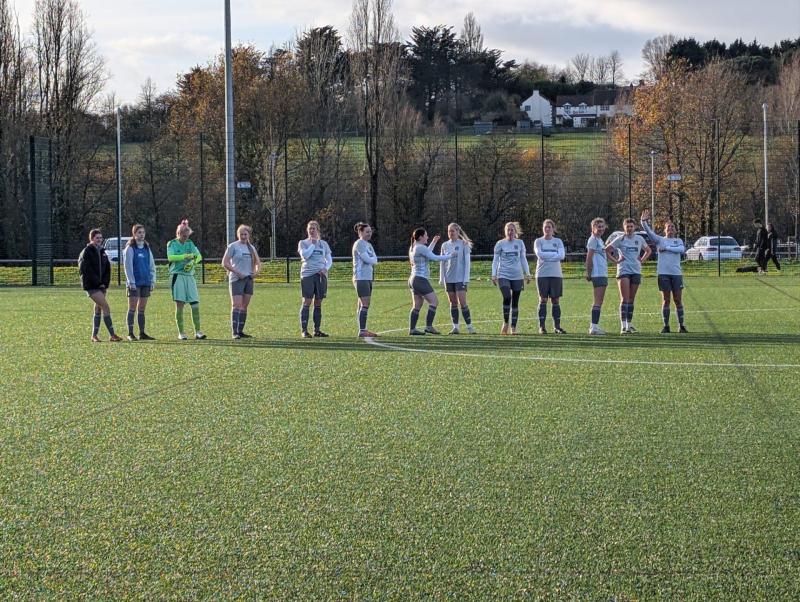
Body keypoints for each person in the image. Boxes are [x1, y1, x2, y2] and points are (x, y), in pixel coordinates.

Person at [641, 209, 688, 333]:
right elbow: (649, 232)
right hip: (663, 274)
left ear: (676, 230)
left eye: (673, 227)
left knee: (678, 300)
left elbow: (681, 249)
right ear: (664, 230)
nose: (671, 229)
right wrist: (643, 222)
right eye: (668, 227)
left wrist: (666, 248)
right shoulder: (659, 240)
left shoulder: (679, 241)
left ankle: (681, 326)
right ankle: (666, 326)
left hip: (676, 274)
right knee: (666, 300)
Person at [606, 217, 651, 334]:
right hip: (624, 271)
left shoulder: (639, 239)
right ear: (624, 227)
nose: (630, 228)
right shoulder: (619, 239)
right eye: (627, 226)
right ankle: (623, 326)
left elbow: (648, 250)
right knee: (624, 299)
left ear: (635, 227)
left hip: (636, 271)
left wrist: (641, 259)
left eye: (631, 226)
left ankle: (629, 325)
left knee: (631, 299)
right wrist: (616, 260)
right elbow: (607, 250)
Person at [408, 227, 455, 335]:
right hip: (420, 279)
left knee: (417, 305)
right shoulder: (420, 247)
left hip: (413, 279)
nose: (427, 237)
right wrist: (450, 256)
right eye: (426, 235)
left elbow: (427, 253)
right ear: (420, 237)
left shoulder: (414, 247)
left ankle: (412, 329)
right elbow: (434, 257)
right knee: (434, 302)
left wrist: (433, 242)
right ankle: (428, 327)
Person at [78, 229, 122, 342]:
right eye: (97, 238)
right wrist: (98, 283)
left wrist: (105, 283)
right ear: (92, 239)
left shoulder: (102, 251)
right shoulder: (87, 251)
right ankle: (112, 335)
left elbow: (107, 269)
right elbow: (86, 270)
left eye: (101, 238)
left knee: (98, 309)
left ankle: (94, 336)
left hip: (101, 286)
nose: (99, 240)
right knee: (105, 307)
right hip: (91, 286)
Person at [167, 220, 205, 340]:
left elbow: (199, 256)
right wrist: (184, 256)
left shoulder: (190, 243)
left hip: (190, 277)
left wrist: (193, 262)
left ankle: (198, 331)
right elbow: (170, 257)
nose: (186, 237)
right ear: (178, 234)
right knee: (180, 305)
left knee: (195, 304)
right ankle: (181, 332)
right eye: (184, 235)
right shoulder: (171, 244)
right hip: (178, 276)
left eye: (187, 235)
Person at [222, 224, 262, 339]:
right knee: (236, 305)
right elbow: (225, 263)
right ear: (237, 235)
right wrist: (237, 272)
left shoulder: (251, 248)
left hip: (248, 280)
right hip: (237, 279)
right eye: (241, 234)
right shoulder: (233, 246)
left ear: (248, 235)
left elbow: (258, 263)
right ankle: (234, 332)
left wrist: (256, 272)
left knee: (244, 306)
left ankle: (240, 331)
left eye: (245, 234)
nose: (243, 236)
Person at [491, 222, 531, 335]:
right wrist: (494, 274)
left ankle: (513, 327)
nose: (510, 232)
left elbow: (523, 259)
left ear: (515, 231)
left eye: (512, 230)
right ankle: (505, 323)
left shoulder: (520, 243)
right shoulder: (500, 244)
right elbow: (495, 260)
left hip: (517, 276)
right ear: (505, 231)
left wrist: (528, 274)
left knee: (515, 301)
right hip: (503, 275)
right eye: (508, 230)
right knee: (507, 297)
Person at [439, 222, 476, 334]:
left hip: (460, 278)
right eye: (449, 231)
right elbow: (442, 262)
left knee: (462, 302)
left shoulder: (463, 244)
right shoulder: (445, 245)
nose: (450, 233)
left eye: (453, 231)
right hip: (449, 279)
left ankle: (470, 327)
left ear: (458, 232)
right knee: (453, 302)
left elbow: (467, 263)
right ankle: (455, 327)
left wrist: (466, 279)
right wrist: (441, 278)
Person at [298, 220, 333, 338]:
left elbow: (329, 259)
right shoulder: (303, 243)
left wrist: (325, 268)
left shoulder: (323, 244)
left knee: (318, 302)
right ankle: (304, 330)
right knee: (306, 301)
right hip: (308, 275)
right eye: (310, 228)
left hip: (321, 276)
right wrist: (313, 244)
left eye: (314, 228)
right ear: (307, 230)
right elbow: (305, 255)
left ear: (318, 230)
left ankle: (317, 330)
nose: (312, 230)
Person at [122, 224, 157, 341]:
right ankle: (130, 333)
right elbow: (128, 267)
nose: (142, 235)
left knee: (141, 309)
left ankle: (142, 333)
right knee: (132, 308)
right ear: (134, 234)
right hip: (134, 284)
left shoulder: (147, 248)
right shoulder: (130, 248)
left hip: (145, 282)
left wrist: (152, 280)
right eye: (139, 232)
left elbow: (151, 265)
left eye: (143, 232)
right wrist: (131, 282)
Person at [533, 219, 566, 334]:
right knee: (543, 299)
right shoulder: (538, 241)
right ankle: (542, 327)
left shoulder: (558, 241)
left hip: (556, 274)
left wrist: (548, 256)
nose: (547, 229)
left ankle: (557, 327)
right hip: (542, 274)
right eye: (545, 227)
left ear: (553, 229)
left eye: (549, 227)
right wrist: (554, 255)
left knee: (555, 300)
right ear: (543, 229)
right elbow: (539, 254)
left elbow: (561, 256)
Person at [352, 222, 378, 337]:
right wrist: (372, 259)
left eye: (370, 231)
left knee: (362, 304)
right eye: (367, 232)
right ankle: (362, 330)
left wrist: (372, 259)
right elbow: (367, 259)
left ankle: (362, 329)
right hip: (361, 277)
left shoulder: (369, 245)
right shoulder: (359, 244)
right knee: (365, 303)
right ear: (360, 232)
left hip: (368, 277)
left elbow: (375, 259)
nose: (369, 234)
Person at [584, 217, 609, 335]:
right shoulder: (593, 240)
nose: (600, 229)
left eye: (602, 226)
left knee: (599, 301)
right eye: (598, 227)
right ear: (593, 228)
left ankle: (594, 326)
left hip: (602, 273)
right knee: (598, 301)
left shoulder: (599, 240)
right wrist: (588, 273)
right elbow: (589, 258)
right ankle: (593, 327)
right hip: (598, 274)